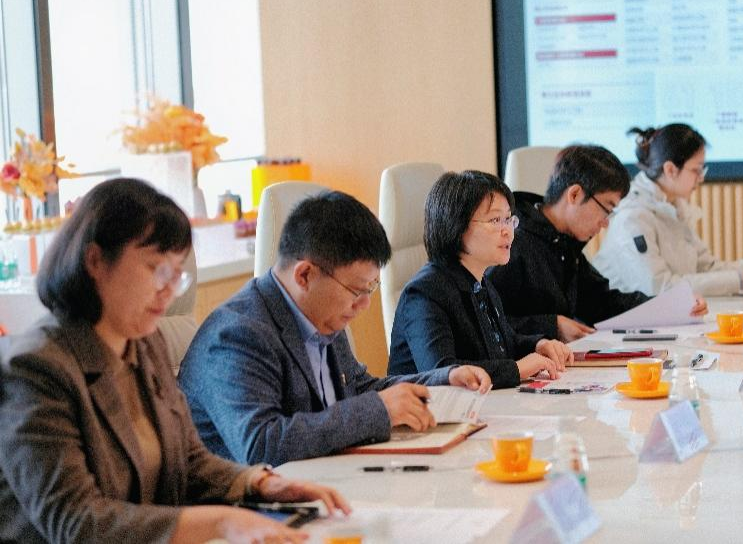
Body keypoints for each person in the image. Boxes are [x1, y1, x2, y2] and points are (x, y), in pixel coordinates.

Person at [0, 178, 349, 544]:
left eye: (177, 274)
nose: (168, 289)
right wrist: (221, 522)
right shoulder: (36, 369)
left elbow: (188, 460)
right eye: (156, 269)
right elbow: (77, 521)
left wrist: (260, 483)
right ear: (95, 261)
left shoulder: (145, 343)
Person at [178, 191, 490, 465]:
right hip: (248, 506)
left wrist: (443, 378)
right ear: (304, 275)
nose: (363, 304)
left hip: (323, 481)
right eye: (356, 290)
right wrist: (378, 411)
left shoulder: (321, 315)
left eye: (371, 289)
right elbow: (261, 445)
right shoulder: (238, 334)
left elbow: (359, 388)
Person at [488, 144, 708, 342]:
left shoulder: (563, 243)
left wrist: (670, 306)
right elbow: (486, 324)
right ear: (575, 195)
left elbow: (602, 303)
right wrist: (550, 326)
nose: (605, 223)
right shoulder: (512, 242)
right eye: (606, 209)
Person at [387, 170, 572, 389]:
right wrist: (516, 369)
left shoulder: (481, 283)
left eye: (508, 219)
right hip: (434, 409)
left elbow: (503, 343)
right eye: (495, 220)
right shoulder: (424, 293)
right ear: (456, 225)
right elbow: (442, 372)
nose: (508, 232)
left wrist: (538, 345)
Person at [593, 123, 743, 297]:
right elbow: (659, 288)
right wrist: (738, 281)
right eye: (696, 170)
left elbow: (708, 268)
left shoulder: (672, 208)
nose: (701, 178)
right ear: (670, 169)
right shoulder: (632, 217)